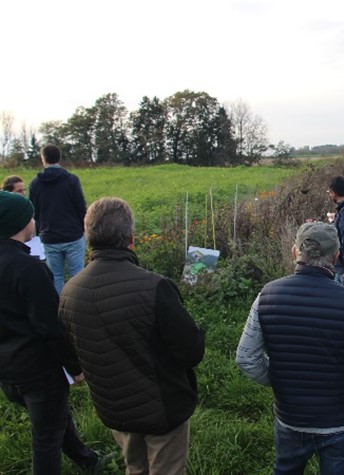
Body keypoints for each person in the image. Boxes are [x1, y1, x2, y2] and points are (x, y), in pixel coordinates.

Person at [59, 197, 205, 474]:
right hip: (163, 408)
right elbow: (191, 351)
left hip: (114, 408)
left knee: (134, 466)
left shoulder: (69, 292)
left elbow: (72, 352)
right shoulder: (154, 287)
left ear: (87, 237)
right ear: (130, 237)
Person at [236, 221, 344, 475]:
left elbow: (246, 359)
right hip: (341, 420)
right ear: (336, 256)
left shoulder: (267, 295)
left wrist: (279, 379)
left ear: (295, 252)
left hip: (290, 417)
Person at [0, 191, 98, 474]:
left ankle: (86, 459)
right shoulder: (28, 269)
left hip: (8, 369)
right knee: (46, 439)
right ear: (19, 224)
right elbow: (51, 326)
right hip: (37, 371)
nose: (35, 219)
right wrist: (75, 366)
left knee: (54, 417)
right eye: (31, 215)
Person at [29, 144, 87, 294]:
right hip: (73, 235)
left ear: (43, 159)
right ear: (59, 158)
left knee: (55, 278)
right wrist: (85, 228)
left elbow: (34, 211)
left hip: (49, 237)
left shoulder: (35, 184)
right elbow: (80, 208)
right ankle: (76, 311)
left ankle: (58, 311)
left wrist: (39, 231)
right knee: (78, 277)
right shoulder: (71, 180)